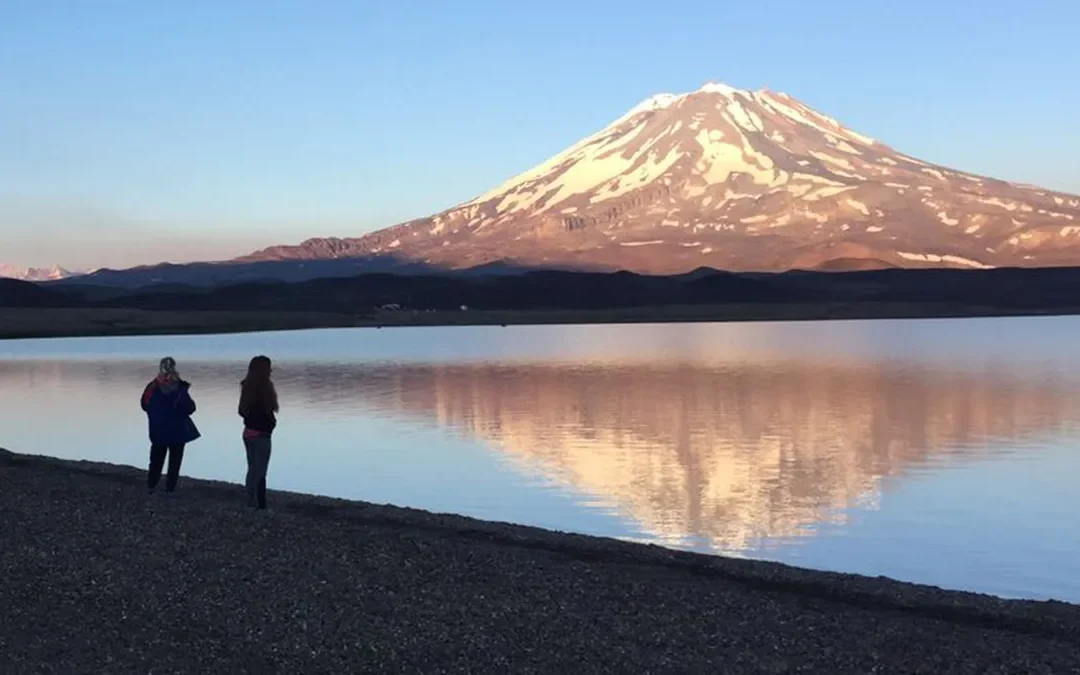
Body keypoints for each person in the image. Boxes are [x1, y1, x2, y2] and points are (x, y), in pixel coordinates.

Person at [140, 356, 200, 495]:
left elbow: (144, 405)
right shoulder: (179, 387)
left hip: (158, 429)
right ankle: (170, 488)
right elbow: (190, 408)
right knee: (175, 461)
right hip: (177, 431)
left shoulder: (152, 386)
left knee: (156, 460)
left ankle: (152, 485)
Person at [238, 355, 278, 511]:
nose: (271, 371)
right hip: (261, 434)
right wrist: (270, 422)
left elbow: (242, 411)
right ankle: (258, 502)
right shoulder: (264, 389)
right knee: (260, 470)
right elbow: (267, 412)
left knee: (253, 468)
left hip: (249, 433)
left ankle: (252, 498)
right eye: (268, 368)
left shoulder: (247, 387)